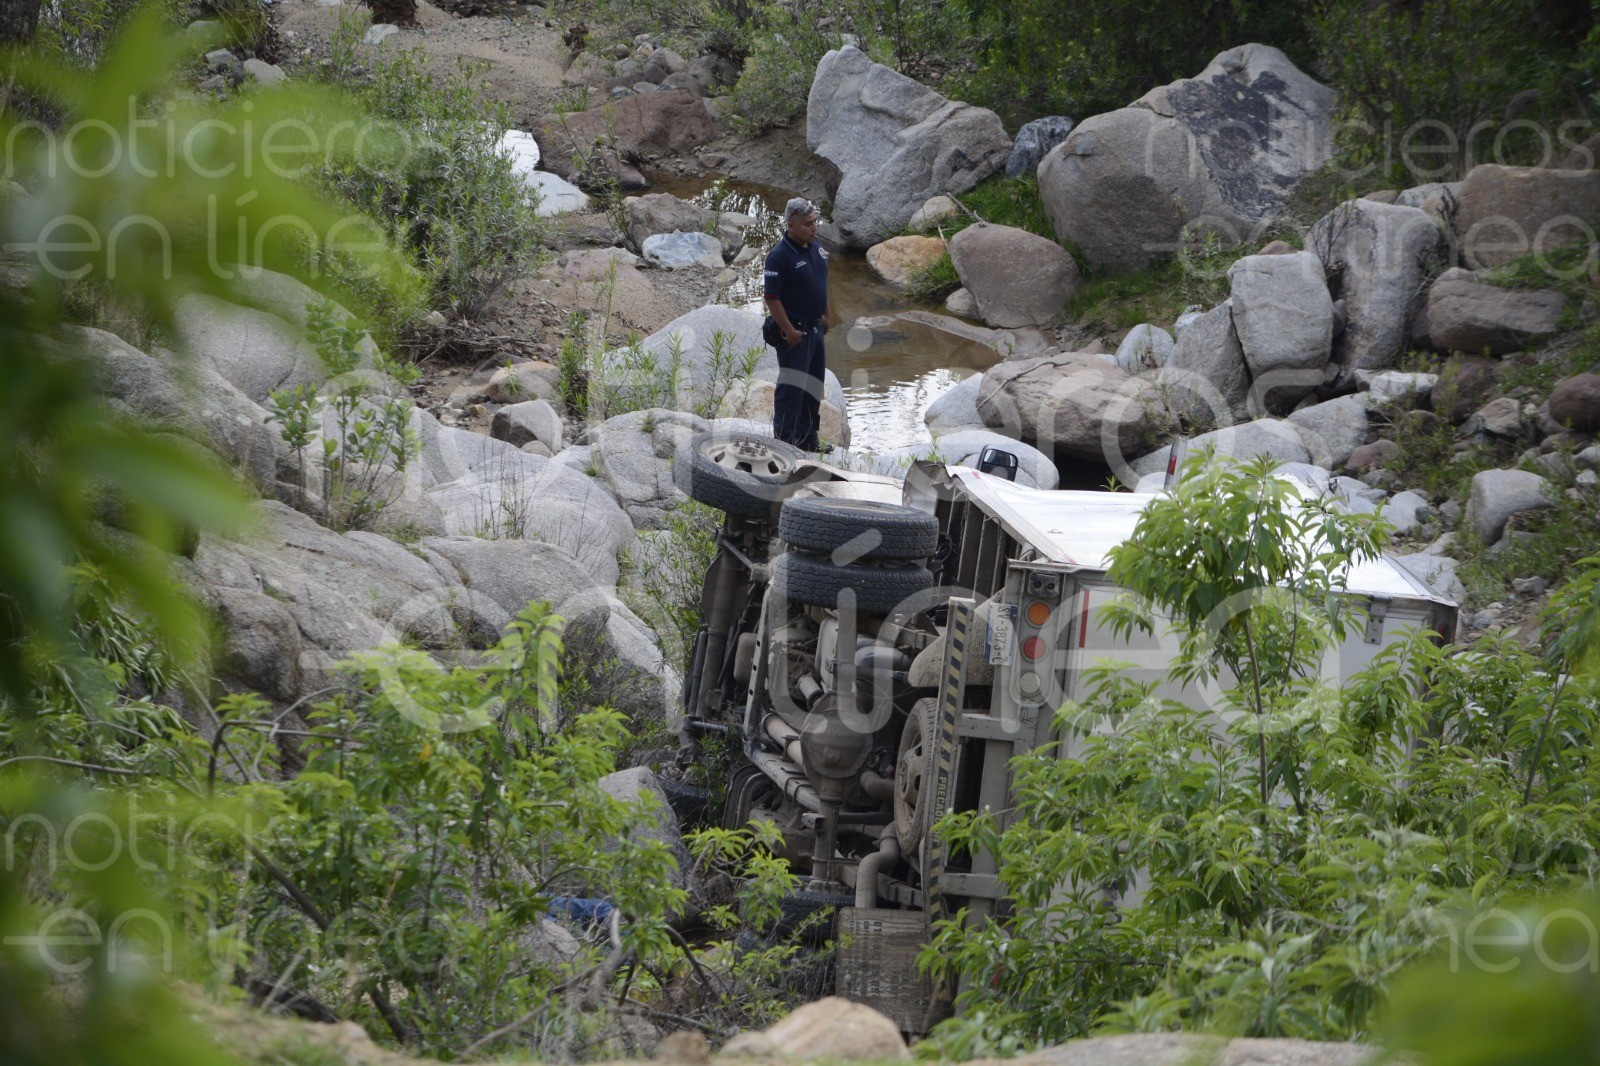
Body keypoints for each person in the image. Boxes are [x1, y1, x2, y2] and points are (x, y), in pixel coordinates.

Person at [763, 197, 832, 453]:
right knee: (792, 389)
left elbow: (822, 281)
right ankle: (785, 444)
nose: (814, 228)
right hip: (796, 333)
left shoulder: (816, 247)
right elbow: (771, 297)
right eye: (808, 224)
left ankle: (809, 441)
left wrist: (826, 314)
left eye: (815, 222)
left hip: (816, 329)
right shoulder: (779, 257)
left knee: (814, 387)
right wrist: (789, 331)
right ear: (791, 225)